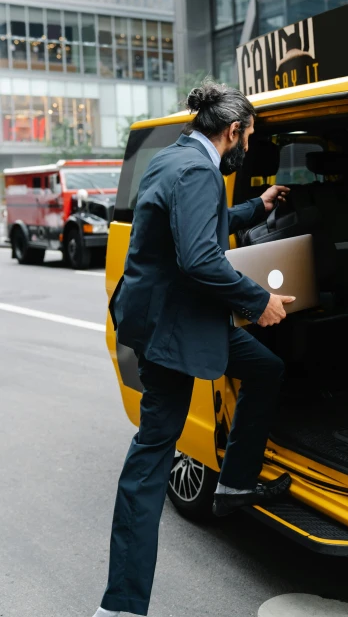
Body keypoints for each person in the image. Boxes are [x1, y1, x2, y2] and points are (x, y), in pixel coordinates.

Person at [92, 78, 294, 617]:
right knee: (151, 460)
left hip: (168, 317)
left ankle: (233, 485)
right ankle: (121, 607)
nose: (247, 148)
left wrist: (258, 205)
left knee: (265, 368)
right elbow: (202, 259)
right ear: (233, 132)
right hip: (173, 332)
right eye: (248, 138)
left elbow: (198, 227)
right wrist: (260, 302)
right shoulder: (200, 170)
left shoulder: (172, 157)